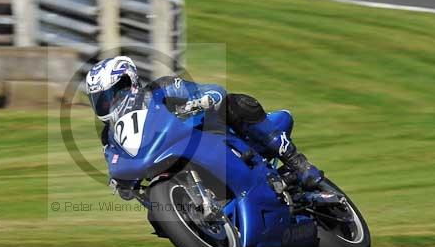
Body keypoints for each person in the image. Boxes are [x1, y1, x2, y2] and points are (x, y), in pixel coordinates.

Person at [85, 55, 323, 190]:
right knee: (157, 217)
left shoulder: (160, 89)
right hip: (168, 160)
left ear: (130, 82)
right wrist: (119, 180)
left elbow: (207, 91)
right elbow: (114, 159)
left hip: (206, 133)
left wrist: (199, 100)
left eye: (113, 94)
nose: (109, 104)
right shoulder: (110, 135)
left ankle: (298, 163)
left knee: (239, 104)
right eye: (101, 100)